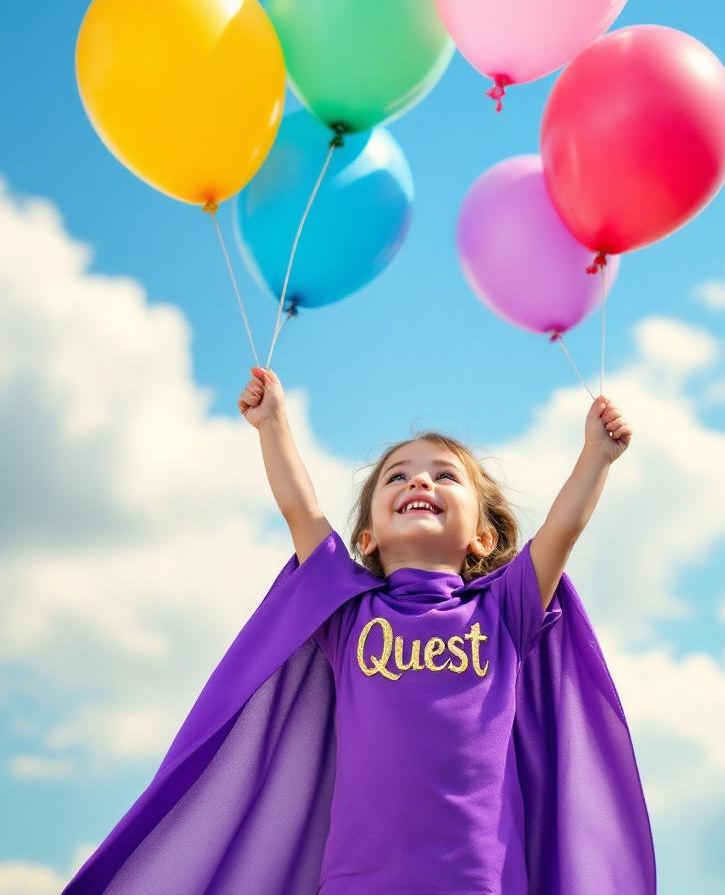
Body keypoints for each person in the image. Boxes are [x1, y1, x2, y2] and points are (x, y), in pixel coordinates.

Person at [61, 367, 656, 895]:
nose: (419, 483)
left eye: (445, 476)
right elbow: (302, 510)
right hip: (359, 880)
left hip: (483, 880)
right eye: (397, 477)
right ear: (366, 538)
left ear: (483, 538)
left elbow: (563, 530)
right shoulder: (349, 615)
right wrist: (272, 425)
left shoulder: (506, 609)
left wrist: (596, 455)